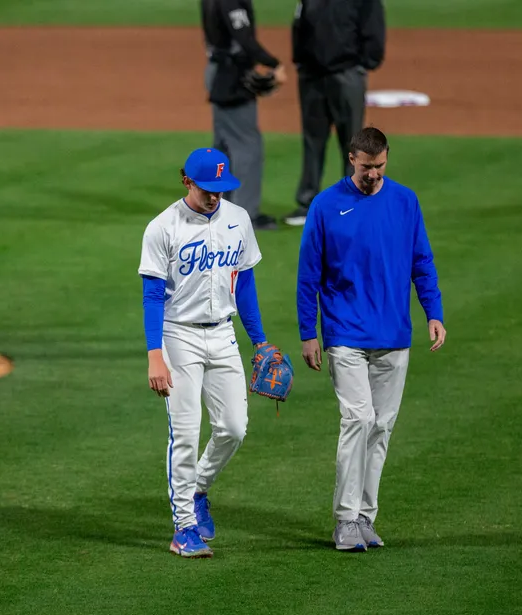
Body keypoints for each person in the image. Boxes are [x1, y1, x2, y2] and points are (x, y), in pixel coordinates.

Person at [296, 127, 446, 551]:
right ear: (351, 160)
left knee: (381, 427)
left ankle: (365, 516)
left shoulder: (405, 201)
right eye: (366, 168)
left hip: (394, 335)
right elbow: (309, 276)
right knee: (357, 420)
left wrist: (433, 312)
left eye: (379, 166)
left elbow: (422, 262)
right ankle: (344, 520)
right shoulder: (326, 206)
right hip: (345, 335)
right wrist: (310, 333)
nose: (373, 175)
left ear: (386, 159)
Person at [138, 147, 274, 558]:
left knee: (233, 427)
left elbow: (244, 284)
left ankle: (198, 488)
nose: (215, 196)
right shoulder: (163, 227)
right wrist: (154, 354)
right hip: (178, 336)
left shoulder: (238, 219)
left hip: (224, 335)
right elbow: (151, 296)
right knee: (185, 432)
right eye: (206, 189)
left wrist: (261, 340)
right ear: (187, 182)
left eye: (220, 188)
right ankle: (184, 527)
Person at [283, 0, 386, 227]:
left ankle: (355, 200)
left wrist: (362, 64)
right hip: (312, 77)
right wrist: (300, 62)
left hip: (346, 73)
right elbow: (299, 25)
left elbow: (374, 30)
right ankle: (307, 203)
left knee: (352, 143)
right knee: (313, 140)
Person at [201, 0, 287, 231]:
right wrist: (273, 64)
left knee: (224, 146)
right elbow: (243, 38)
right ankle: (246, 214)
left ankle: (218, 208)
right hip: (229, 76)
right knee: (247, 145)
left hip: (220, 70)